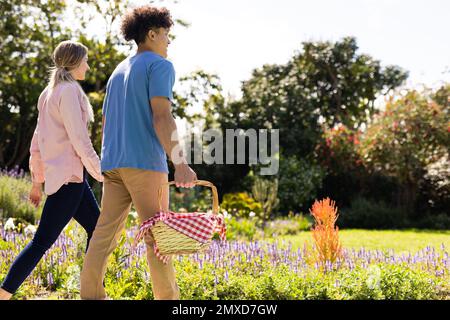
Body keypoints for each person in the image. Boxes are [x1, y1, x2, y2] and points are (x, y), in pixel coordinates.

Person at [80, 6, 197, 300]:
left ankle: (90, 296)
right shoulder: (160, 65)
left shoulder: (118, 71)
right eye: (167, 35)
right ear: (152, 33)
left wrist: (108, 162)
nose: (169, 41)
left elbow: (106, 123)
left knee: (104, 234)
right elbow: (162, 117)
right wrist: (180, 163)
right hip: (145, 163)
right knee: (158, 236)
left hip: (114, 164)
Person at [0, 41, 104, 300]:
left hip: (71, 178)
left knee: (99, 229)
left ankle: (92, 290)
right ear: (74, 62)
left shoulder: (49, 92)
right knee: (42, 242)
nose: (88, 66)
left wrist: (37, 182)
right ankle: (3, 294)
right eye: (85, 61)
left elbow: (37, 141)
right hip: (70, 178)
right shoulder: (68, 92)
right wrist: (104, 173)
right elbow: (79, 140)